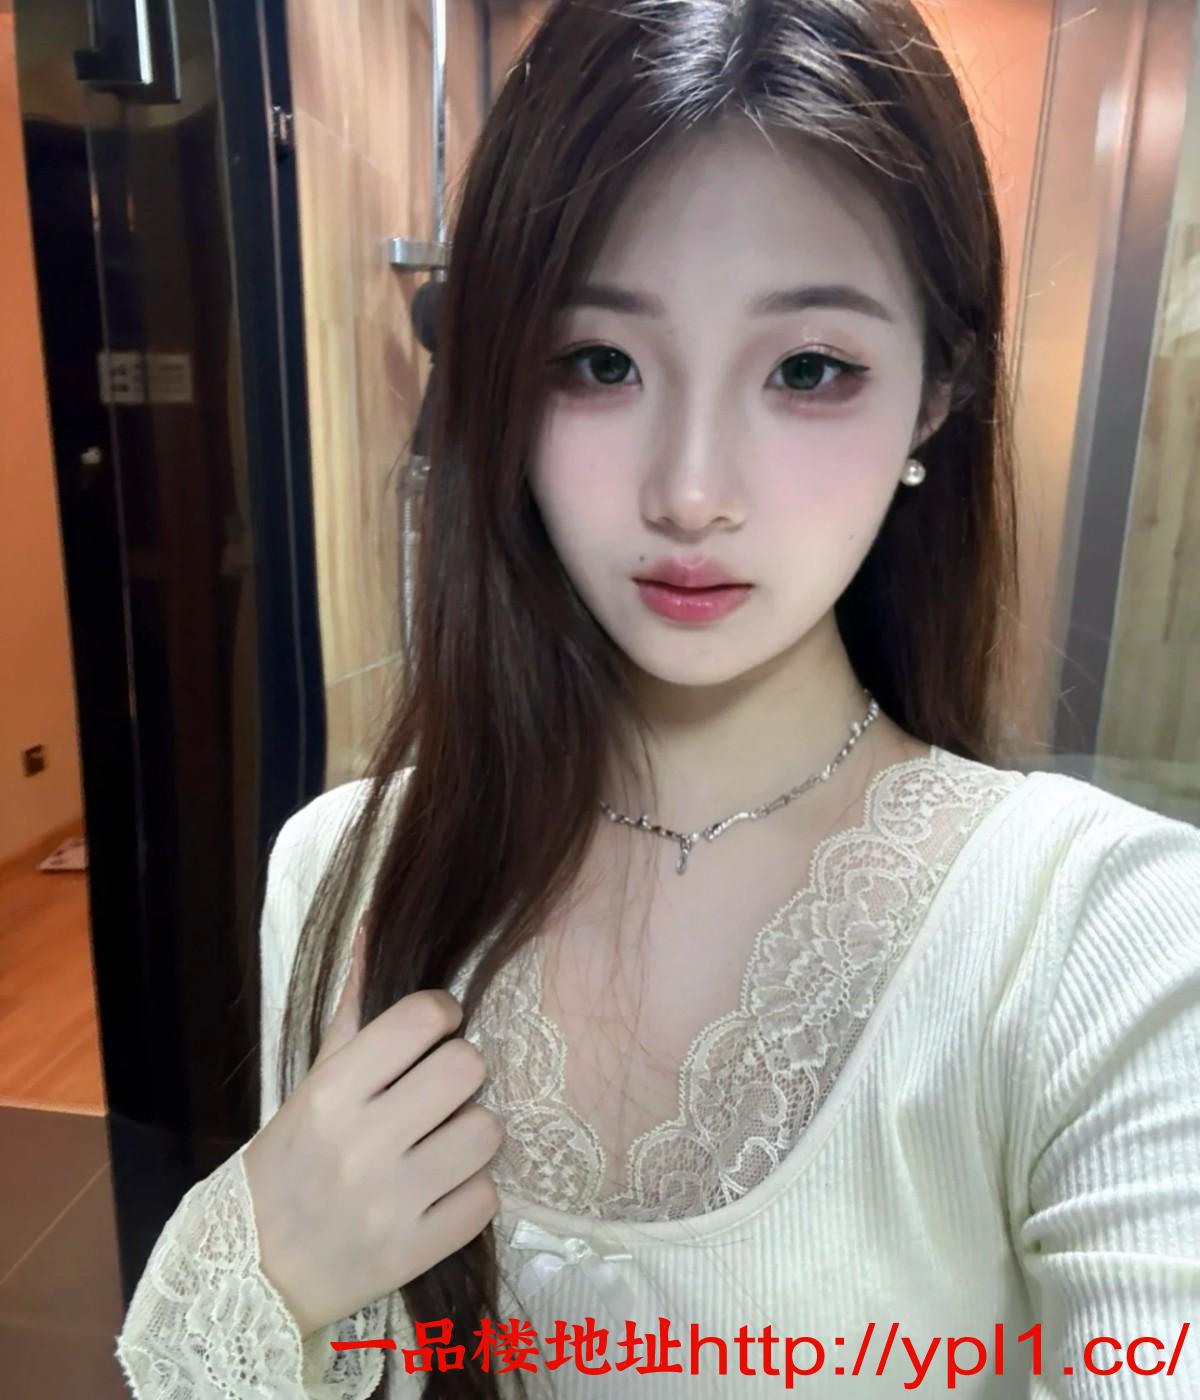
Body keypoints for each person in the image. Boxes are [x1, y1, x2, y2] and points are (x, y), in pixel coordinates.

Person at [114, 0, 1200, 1396]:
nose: (691, 491)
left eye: (808, 368)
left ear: (937, 392)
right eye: (599, 362)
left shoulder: (1100, 939)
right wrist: (261, 1266)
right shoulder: (343, 871)